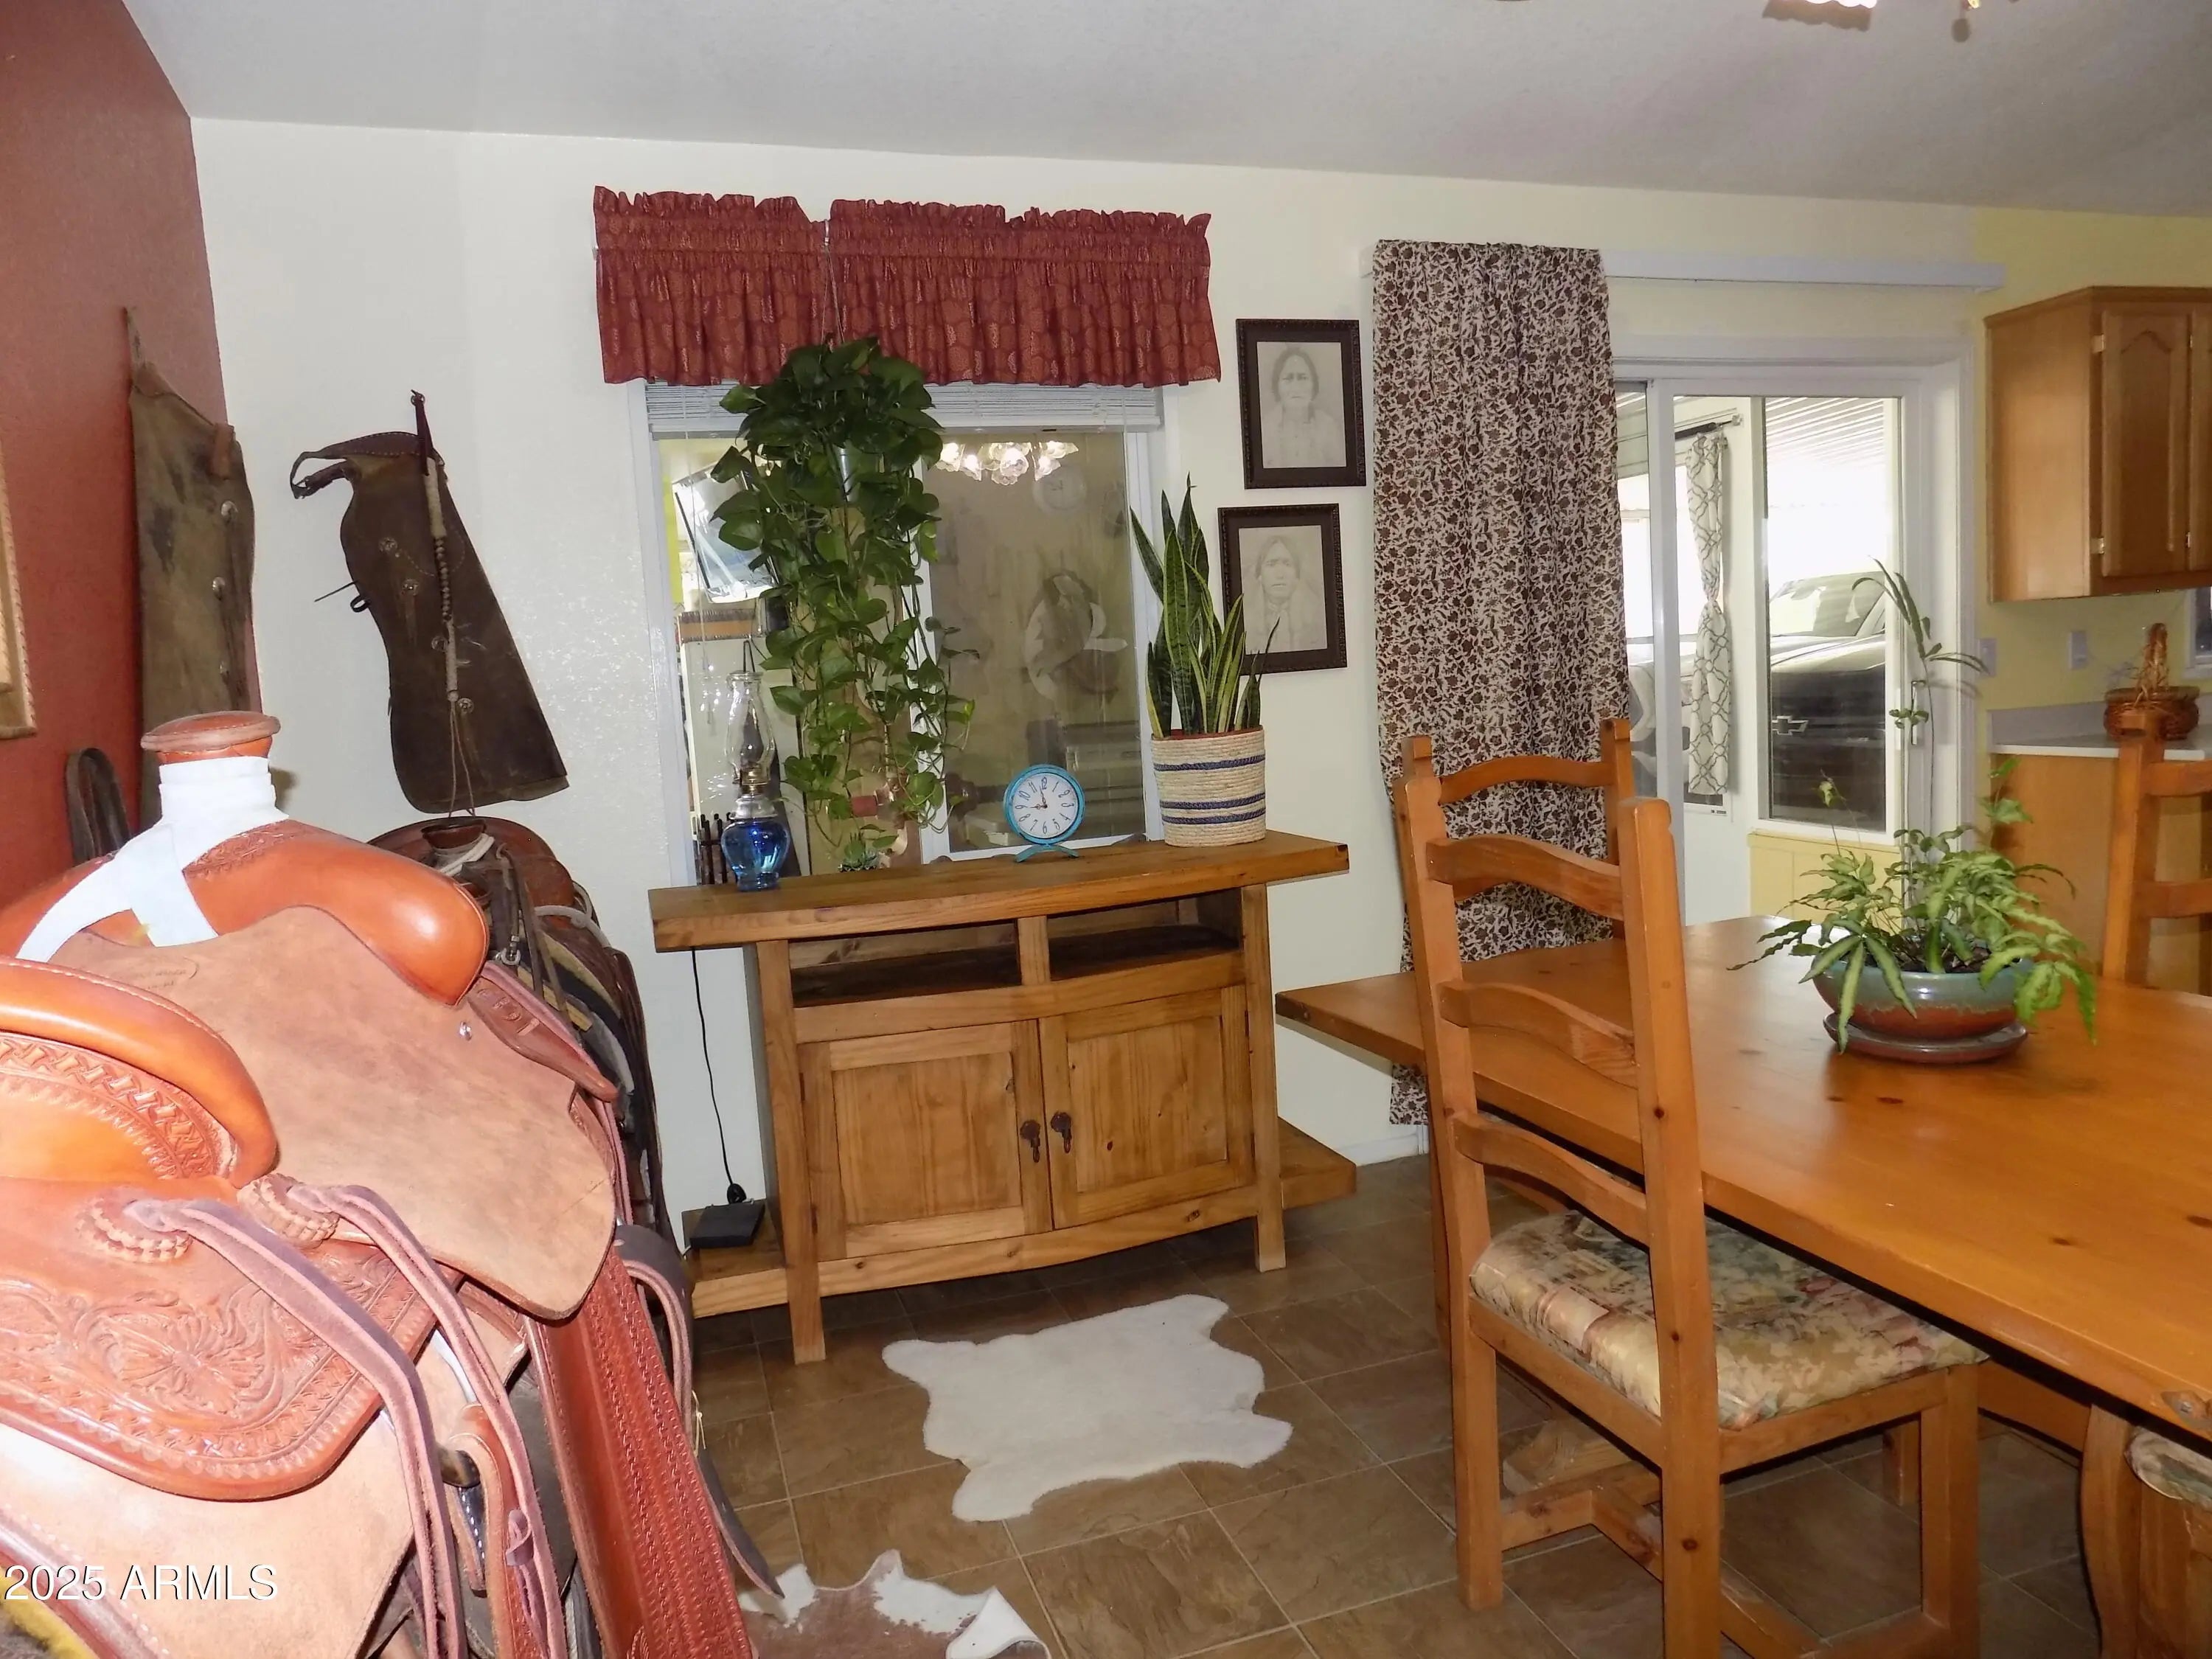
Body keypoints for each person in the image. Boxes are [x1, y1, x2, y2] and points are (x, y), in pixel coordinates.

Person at [1260, 347, 1343, 470]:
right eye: (1288, 378)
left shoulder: (1329, 428)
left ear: (1314, 384)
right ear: (1277, 385)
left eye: (1303, 378)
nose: (1296, 387)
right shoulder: (1265, 430)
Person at [1248, 537, 1327, 654]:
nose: (1280, 575)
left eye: (1287, 564)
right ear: (1260, 575)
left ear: (1297, 577)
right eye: (1271, 564)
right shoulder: (1247, 624)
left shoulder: (1317, 624)